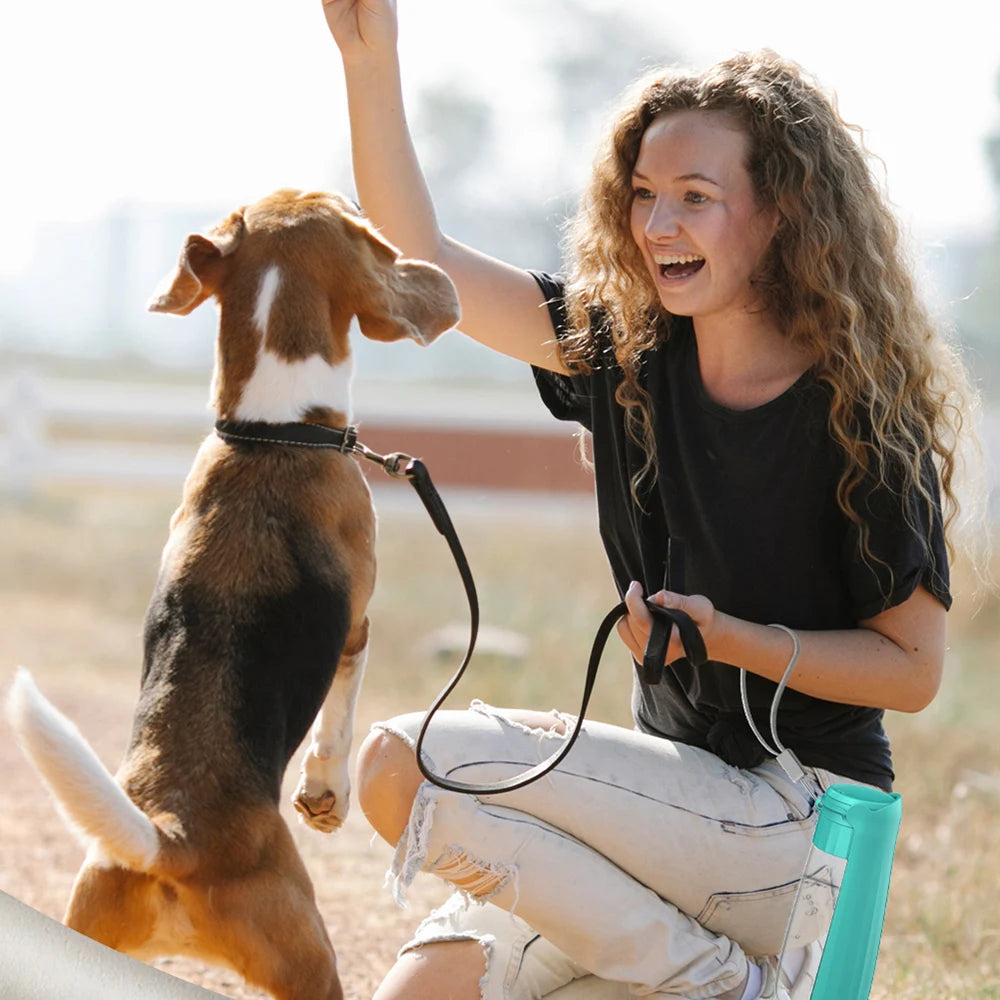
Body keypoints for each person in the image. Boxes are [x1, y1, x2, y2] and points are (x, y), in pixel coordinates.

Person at [319, 3, 976, 999]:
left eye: (695, 196)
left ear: (782, 211)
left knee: (401, 762)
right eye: (643, 194)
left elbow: (914, 670)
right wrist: (373, 65)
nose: (657, 223)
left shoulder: (858, 415)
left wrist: (733, 639)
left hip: (799, 828)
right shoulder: (622, 354)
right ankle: (699, 974)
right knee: (423, 992)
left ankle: (727, 987)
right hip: (669, 809)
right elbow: (428, 267)